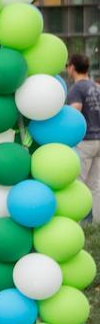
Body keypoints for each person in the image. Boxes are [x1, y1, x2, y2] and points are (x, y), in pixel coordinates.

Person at [66, 54, 100, 222]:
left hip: (85, 140)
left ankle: (80, 221)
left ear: (72, 67)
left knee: (78, 183)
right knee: (95, 185)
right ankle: (96, 223)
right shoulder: (96, 87)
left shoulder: (77, 89)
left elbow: (75, 110)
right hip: (98, 139)